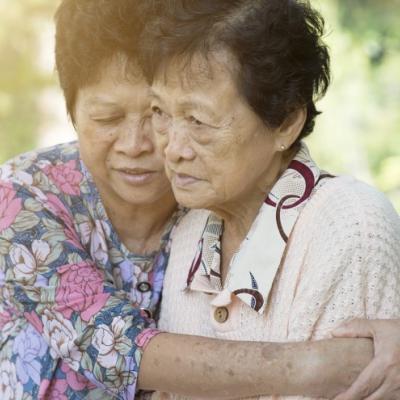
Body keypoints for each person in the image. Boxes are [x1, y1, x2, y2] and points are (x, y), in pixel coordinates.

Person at [0, 1, 393, 399]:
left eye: (190, 118)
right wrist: (312, 366)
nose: (149, 146)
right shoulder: (25, 195)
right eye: (108, 119)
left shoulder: (216, 200)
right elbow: (114, 347)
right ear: (73, 113)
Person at [142, 1, 400, 399]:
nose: (172, 148)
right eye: (160, 111)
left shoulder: (349, 226)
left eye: (198, 120)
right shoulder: (192, 225)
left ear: (285, 121)